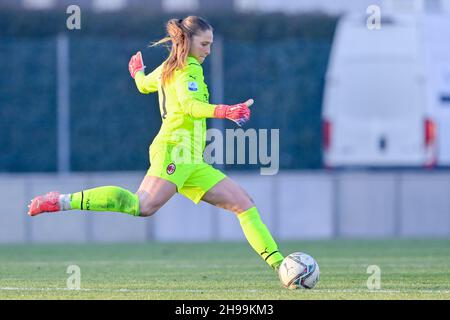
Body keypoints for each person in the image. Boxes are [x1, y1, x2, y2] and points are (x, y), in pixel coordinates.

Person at [28, 16, 285, 275]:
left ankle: (281, 266)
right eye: (205, 44)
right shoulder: (189, 68)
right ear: (187, 42)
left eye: (211, 45)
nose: (208, 50)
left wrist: (138, 72)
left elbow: (143, 86)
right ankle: (61, 201)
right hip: (175, 150)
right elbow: (189, 106)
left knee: (244, 203)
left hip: (192, 159)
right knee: (142, 206)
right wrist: (226, 111)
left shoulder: (167, 68)